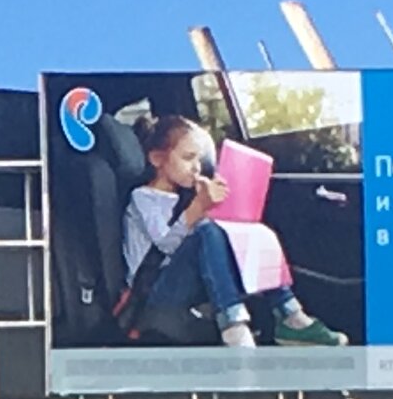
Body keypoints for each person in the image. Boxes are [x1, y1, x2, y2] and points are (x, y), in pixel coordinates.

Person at [124, 116, 343, 347]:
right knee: (207, 230)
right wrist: (199, 207)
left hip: (181, 282)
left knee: (254, 233)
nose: (197, 167)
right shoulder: (143, 197)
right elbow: (166, 246)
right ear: (157, 158)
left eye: (198, 158)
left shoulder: (182, 197)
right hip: (153, 295)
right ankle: (233, 326)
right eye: (188, 158)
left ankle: (290, 314)